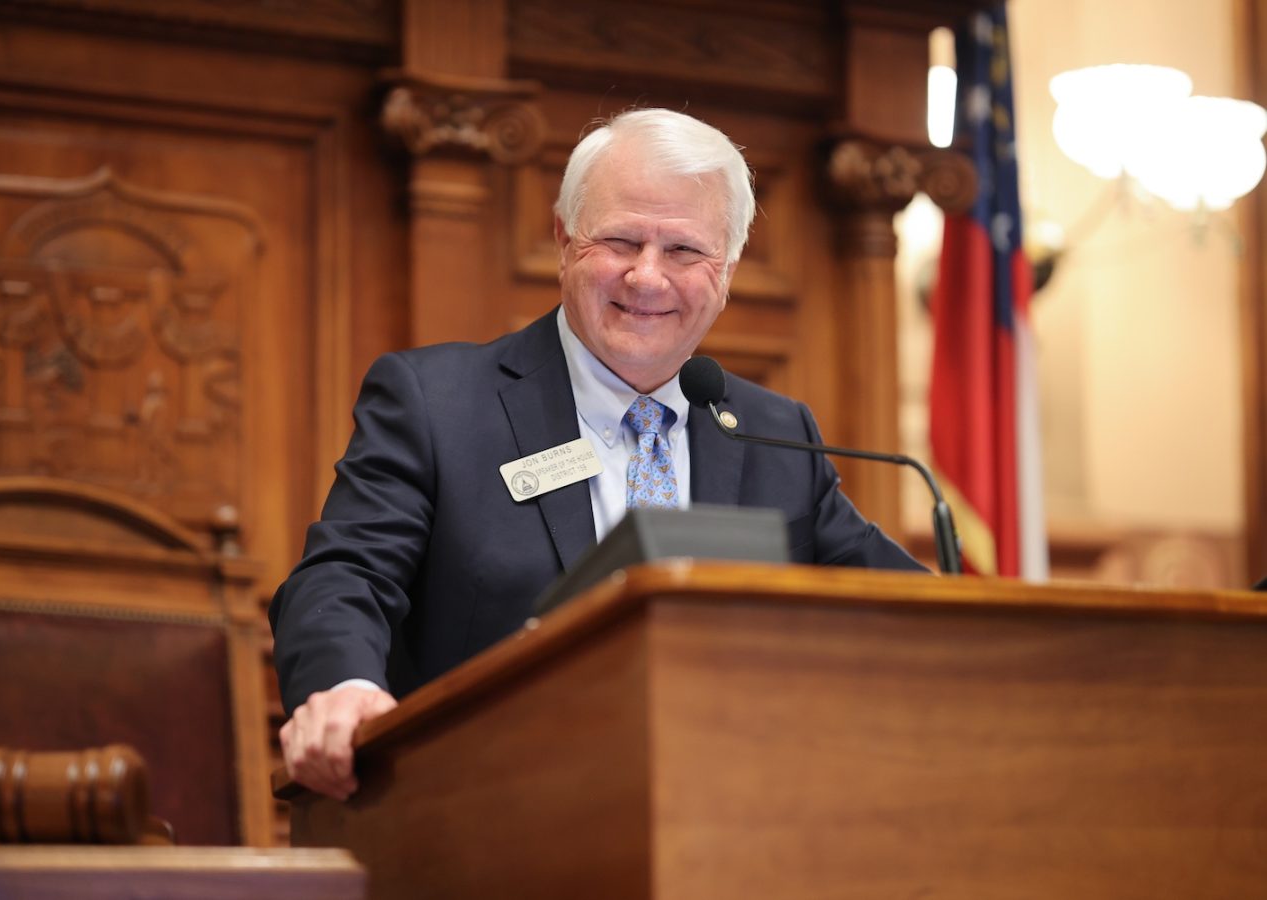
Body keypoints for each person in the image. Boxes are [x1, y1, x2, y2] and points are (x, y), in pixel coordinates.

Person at [270, 108, 926, 799]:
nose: (647, 278)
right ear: (564, 238)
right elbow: (344, 574)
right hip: (487, 806)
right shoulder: (438, 404)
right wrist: (343, 687)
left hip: (730, 813)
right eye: (620, 240)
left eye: (684, 251)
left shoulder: (777, 434)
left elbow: (902, 607)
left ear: (728, 269)